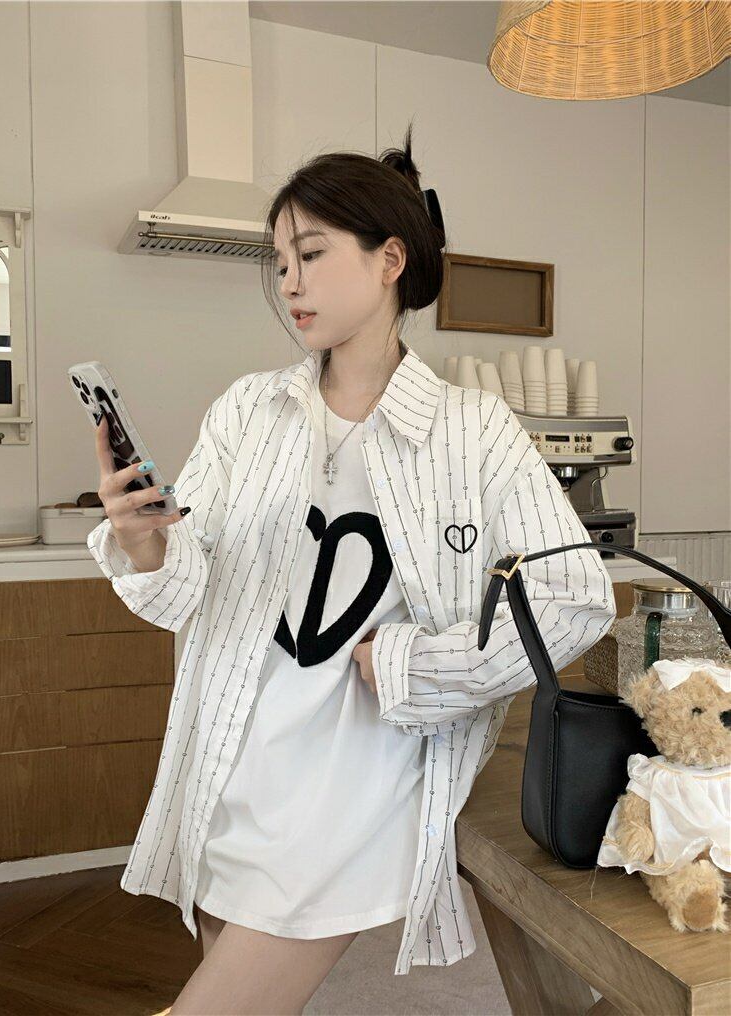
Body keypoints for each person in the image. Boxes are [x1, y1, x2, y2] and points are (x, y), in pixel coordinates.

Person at [89, 121, 617, 1015]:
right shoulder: (249, 411)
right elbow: (188, 593)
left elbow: (574, 598)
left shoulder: (473, 430)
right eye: (280, 262)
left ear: (389, 260)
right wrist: (144, 540)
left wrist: (415, 665)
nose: (289, 282)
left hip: (350, 787)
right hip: (233, 764)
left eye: (311, 254)